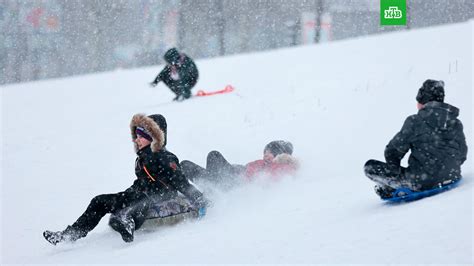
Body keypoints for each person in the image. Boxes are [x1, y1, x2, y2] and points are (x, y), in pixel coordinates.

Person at [43, 114, 207, 244]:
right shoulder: (142, 158)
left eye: (141, 136)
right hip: (139, 193)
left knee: (142, 200)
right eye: (136, 136)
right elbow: (141, 182)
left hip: (160, 196)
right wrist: (128, 193)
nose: (136, 140)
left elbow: (180, 181)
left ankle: (128, 223)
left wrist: (199, 199)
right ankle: (70, 235)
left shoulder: (165, 157)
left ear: (154, 137)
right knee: (99, 201)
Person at [364, 79, 468, 199]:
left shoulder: (415, 121)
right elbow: (462, 155)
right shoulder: (456, 123)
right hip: (453, 176)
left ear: (423, 100)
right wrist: (446, 169)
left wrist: (394, 173)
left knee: (369, 167)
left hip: (421, 182)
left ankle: (393, 187)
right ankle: (441, 177)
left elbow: (392, 151)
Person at [181, 140, 299, 185]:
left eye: (270, 152)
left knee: (214, 155)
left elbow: (286, 175)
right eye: (265, 152)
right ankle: (205, 191)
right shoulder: (261, 163)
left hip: (236, 183)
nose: (265, 154)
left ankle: (212, 191)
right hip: (232, 176)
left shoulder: (282, 167)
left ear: (279, 154)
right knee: (185, 165)